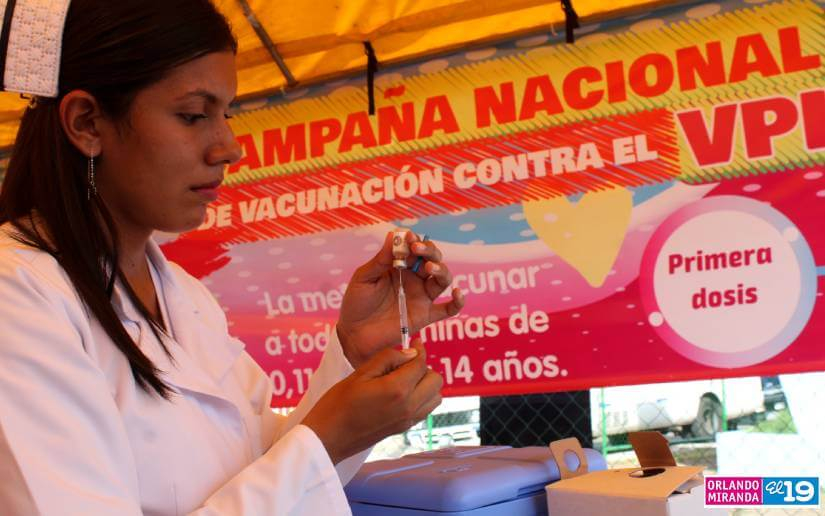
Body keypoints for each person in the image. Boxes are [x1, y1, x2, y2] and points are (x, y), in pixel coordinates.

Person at [0, 0, 465, 514]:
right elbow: (297, 466)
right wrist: (327, 439)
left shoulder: (183, 293)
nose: (229, 147)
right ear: (87, 123)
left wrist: (355, 355)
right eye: (193, 115)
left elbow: (270, 466)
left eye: (227, 114)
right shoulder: (17, 295)